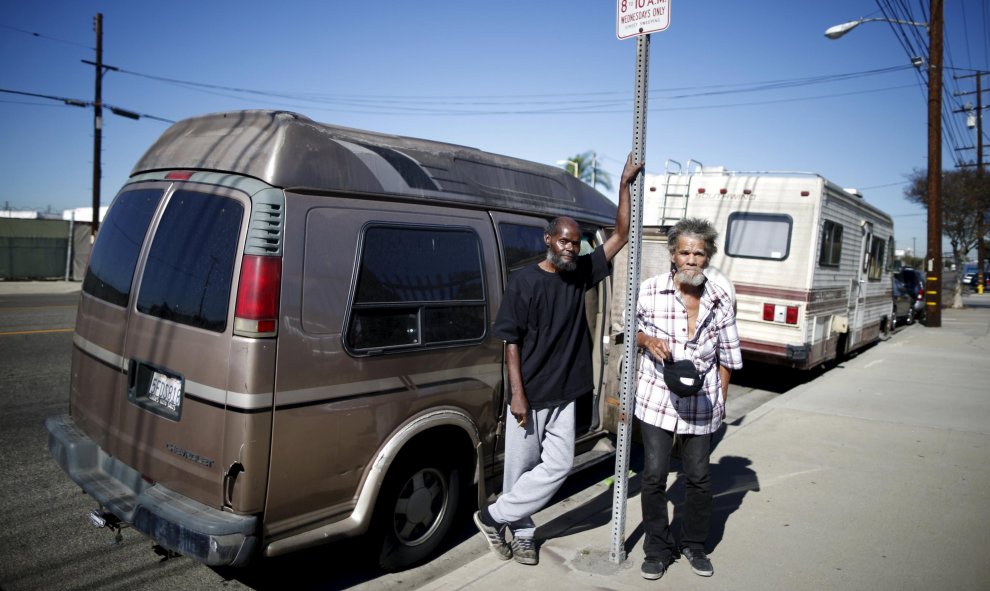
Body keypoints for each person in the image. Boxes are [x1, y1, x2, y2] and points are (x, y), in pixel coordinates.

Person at [472, 153, 643, 565]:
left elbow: (620, 234)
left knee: (558, 465)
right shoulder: (525, 282)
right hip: (528, 395)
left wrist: (623, 185)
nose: (571, 246)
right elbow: (509, 341)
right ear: (548, 240)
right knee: (519, 472)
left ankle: (492, 517)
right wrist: (517, 395)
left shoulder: (580, 272)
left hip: (565, 393)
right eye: (564, 240)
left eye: (576, 241)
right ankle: (524, 533)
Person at [634, 217, 742, 581]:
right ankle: (656, 549)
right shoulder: (650, 290)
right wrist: (648, 341)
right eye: (685, 252)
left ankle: (694, 545)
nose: (692, 260)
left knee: (698, 477)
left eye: (699, 253)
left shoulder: (719, 297)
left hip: (702, 402)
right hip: (656, 398)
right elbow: (629, 330)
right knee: (653, 476)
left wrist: (722, 399)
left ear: (708, 257)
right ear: (672, 254)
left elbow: (728, 355)